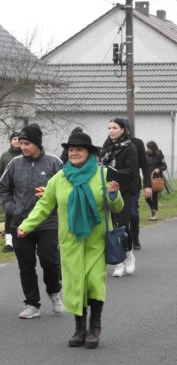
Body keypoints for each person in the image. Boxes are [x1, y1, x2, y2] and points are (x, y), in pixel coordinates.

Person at [17, 132, 123, 349]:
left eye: (79, 149)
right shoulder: (60, 179)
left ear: (89, 153)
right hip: (71, 241)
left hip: (96, 241)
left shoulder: (102, 175)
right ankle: (79, 329)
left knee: (94, 282)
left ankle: (95, 328)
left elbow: (117, 207)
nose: (74, 153)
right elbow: (44, 205)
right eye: (71, 149)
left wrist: (113, 194)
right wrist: (26, 225)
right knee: (75, 285)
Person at [0, 123, 63, 319]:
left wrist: (54, 199)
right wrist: (12, 209)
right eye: (21, 142)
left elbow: (67, 189)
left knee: (49, 261)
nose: (23, 146)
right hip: (20, 224)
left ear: (37, 143)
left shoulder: (54, 163)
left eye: (27, 143)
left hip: (48, 224)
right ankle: (32, 303)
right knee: (26, 265)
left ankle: (54, 292)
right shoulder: (15, 163)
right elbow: (2, 189)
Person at [101, 118, 139, 277]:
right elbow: (101, 164)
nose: (111, 130)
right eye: (109, 127)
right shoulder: (106, 146)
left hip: (126, 189)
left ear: (123, 129)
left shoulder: (130, 147)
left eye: (114, 127)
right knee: (112, 225)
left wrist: (112, 172)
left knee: (122, 224)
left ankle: (128, 255)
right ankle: (118, 261)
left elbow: (131, 170)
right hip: (109, 189)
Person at [123, 119, 152, 251]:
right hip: (115, 185)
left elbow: (145, 166)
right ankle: (124, 240)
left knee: (133, 214)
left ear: (127, 129)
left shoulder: (137, 143)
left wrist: (148, 185)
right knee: (120, 216)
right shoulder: (110, 143)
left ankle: (135, 237)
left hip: (133, 185)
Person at [0, 132, 21, 252]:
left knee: (23, 215)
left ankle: (22, 240)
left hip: (21, 190)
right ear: (11, 141)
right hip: (8, 191)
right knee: (9, 215)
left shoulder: (25, 155)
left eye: (19, 138)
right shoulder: (5, 156)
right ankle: (9, 243)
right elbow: (0, 173)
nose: (17, 140)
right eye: (14, 138)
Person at [145, 140, 167, 221]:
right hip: (147, 178)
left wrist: (159, 169)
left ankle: (154, 214)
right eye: (147, 148)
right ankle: (153, 208)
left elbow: (164, 166)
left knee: (154, 195)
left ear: (153, 148)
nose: (148, 150)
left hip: (155, 178)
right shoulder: (146, 154)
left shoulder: (159, 154)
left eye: (149, 148)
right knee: (147, 197)